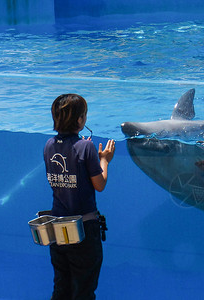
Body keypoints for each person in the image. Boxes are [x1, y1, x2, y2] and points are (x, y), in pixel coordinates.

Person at [44, 94, 115, 300]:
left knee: (61, 288)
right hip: (82, 230)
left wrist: (84, 152)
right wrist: (104, 160)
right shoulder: (86, 147)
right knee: (83, 289)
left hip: (57, 229)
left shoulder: (48, 145)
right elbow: (99, 184)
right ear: (80, 120)